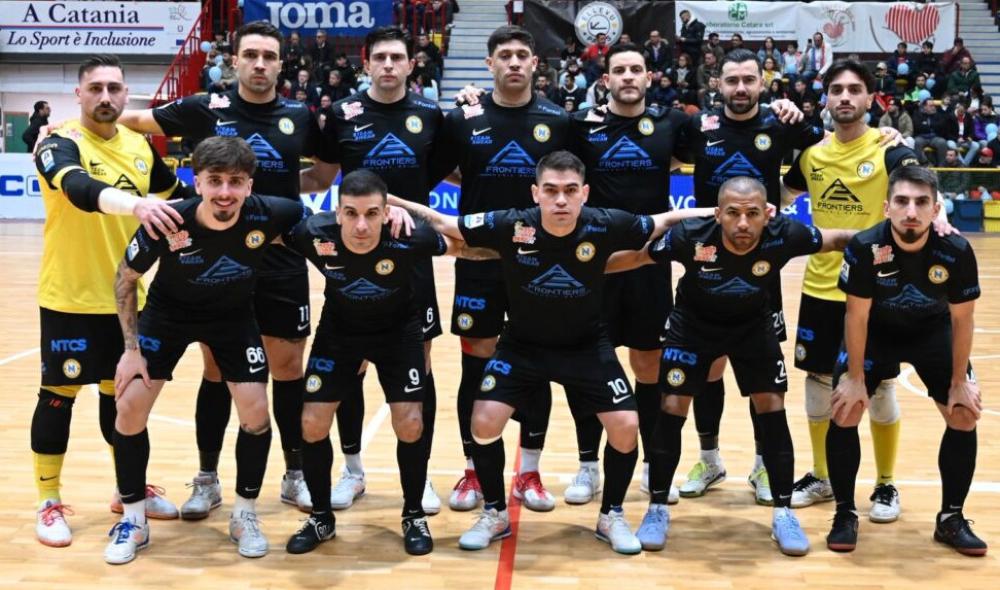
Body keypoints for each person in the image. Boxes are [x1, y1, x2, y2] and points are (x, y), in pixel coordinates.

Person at [393, 150, 709, 554]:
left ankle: (611, 515)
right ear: (536, 193)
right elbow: (444, 223)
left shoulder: (605, 222)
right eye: (551, 190)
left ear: (584, 194)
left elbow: (662, 221)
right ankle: (495, 513)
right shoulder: (512, 223)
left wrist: (715, 213)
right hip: (522, 346)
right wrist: (389, 203)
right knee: (483, 422)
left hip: (586, 346)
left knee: (626, 425)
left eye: (570, 190)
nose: (561, 199)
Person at [116, 20, 338, 518]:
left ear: (281, 64)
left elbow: (323, 175)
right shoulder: (205, 107)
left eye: (269, 56)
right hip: (217, 257)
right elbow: (133, 120)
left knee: (287, 369)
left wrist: (270, 197)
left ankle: (295, 475)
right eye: (251, 55)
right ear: (234, 60)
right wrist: (70, 127)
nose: (260, 64)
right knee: (217, 368)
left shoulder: (299, 115)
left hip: (277, 256)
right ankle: (207, 479)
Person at [607, 176, 855, 555]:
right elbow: (638, 257)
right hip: (692, 328)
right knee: (671, 407)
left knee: (772, 407)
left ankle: (783, 513)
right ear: (718, 214)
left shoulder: (784, 234)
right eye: (733, 213)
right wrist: (580, 264)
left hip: (753, 327)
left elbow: (839, 239)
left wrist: (906, 232)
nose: (742, 223)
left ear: (767, 214)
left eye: (752, 213)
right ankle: (657, 508)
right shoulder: (690, 236)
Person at [105, 136, 309, 564]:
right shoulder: (168, 221)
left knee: (256, 412)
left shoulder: (274, 213)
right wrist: (130, 350)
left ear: (250, 185)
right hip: (168, 316)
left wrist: (393, 211)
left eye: (235, 181)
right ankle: (134, 520)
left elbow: (337, 222)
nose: (225, 192)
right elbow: (125, 278)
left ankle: (244, 514)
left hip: (232, 319)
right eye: (214, 181)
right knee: (129, 406)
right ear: (196, 182)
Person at [281, 170, 495, 556]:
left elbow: (463, 247)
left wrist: (527, 252)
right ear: (337, 212)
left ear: (385, 212)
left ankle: (413, 514)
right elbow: (265, 233)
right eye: (351, 213)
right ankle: (321, 518)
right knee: (311, 422)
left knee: (410, 423)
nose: (361, 225)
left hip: (398, 333)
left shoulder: (409, 235)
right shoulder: (313, 233)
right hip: (339, 333)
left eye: (371, 214)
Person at [29, 54, 188, 549]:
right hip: (70, 298)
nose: (105, 97)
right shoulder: (58, 143)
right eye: (95, 88)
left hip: (126, 301)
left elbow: (180, 198)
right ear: (78, 94)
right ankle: (47, 500)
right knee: (58, 396)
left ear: (125, 95)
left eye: (114, 88)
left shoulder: (140, 147)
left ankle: (128, 489)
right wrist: (137, 205)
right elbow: (79, 188)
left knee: (119, 398)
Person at [782, 59, 933, 523]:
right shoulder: (812, 155)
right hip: (820, 287)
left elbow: (922, 188)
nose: (845, 97)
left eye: (854, 90)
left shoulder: (889, 150)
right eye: (836, 90)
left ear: (870, 98)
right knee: (817, 383)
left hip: (876, 293)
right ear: (826, 99)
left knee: (879, 386)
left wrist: (940, 217)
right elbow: (783, 195)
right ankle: (822, 475)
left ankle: (885, 483)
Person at [675, 48, 825, 506]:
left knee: (761, 370)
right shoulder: (698, 127)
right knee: (709, 368)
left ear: (763, 82)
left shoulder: (780, 124)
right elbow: (657, 157)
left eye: (748, 80)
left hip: (761, 260)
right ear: (717, 84)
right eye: (732, 80)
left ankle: (762, 465)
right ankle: (710, 459)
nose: (740, 88)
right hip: (706, 256)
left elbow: (825, 149)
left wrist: (786, 191)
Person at [435, 25, 573, 512]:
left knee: (537, 363)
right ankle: (474, 470)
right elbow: (443, 167)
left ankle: (528, 471)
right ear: (489, 64)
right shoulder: (463, 119)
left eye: (521, 55)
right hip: (480, 262)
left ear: (535, 64)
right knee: (475, 362)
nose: (514, 62)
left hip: (539, 264)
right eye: (505, 55)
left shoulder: (558, 120)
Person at [316, 26, 449, 514]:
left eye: (397, 57)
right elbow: (321, 175)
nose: (389, 65)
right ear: (366, 63)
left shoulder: (431, 115)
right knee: (351, 366)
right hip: (353, 254)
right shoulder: (342, 114)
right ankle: (352, 470)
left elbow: (449, 170)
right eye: (380, 58)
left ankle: (421, 474)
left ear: (412, 64)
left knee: (421, 366)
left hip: (412, 260)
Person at [828, 165, 986, 556]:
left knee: (964, 413)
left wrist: (959, 382)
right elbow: (856, 316)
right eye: (901, 201)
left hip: (932, 333)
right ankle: (845, 513)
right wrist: (854, 378)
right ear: (887, 208)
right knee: (845, 409)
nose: (911, 211)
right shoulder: (865, 246)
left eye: (921, 202)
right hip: (876, 332)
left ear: (936, 209)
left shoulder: (956, 250)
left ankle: (951, 518)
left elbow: (963, 320)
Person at [566, 43, 694, 506]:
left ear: (648, 77)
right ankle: (588, 465)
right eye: (618, 69)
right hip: (593, 264)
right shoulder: (581, 127)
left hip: (649, 265)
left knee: (649, 364)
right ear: (605, 79)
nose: (627, 76)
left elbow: (724, 142)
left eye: (635, 69)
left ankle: (651, 465)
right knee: (586, 363)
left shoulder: (671, 123)